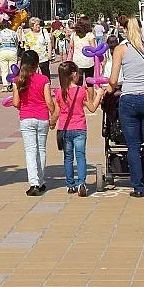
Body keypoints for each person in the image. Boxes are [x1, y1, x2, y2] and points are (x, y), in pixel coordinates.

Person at [102, 16, 144, 198]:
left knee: (132, 146)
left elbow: (113, 80)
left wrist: (105, 91)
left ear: (124, 30)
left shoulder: (120, 50)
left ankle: (138, 188)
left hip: (129, 98)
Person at [53, 61, 102, 196]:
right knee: (80, 156)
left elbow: (57, 112)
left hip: (65, 128)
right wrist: (99, 95)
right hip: (80, 128)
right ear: (74, 75)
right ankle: (82, 183)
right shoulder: (82, 91)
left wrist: (52, 122)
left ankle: (70, 185)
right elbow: (92, 108)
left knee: (68, 157)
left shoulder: (59, 92)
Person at [12, 50, 54, 196]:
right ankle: (41, 182)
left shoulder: (17, 80)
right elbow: (49, 101)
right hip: (42, 117)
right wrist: (53, 115)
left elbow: (16, 102)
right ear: (37, 64)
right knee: (41, 150)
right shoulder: (44, 80)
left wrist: (23, 106)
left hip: (26, 117)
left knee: (30, 151)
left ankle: (34, 183)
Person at [69, 16, 97, 102]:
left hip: (77, 61)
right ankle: (91, 101)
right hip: (88, 61)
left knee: (78, 83)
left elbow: (71, 46)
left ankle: (79, 100)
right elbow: (93, 48)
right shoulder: (90, 35)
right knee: (90, 83)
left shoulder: (74, 34)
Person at [0, 23, 19, 91]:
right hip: (12, 51)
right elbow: (17, 42)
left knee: (4, 70)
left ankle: (5, 86)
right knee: (13, 69)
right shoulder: (13, 33)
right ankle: (13, 85)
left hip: (2, 51)